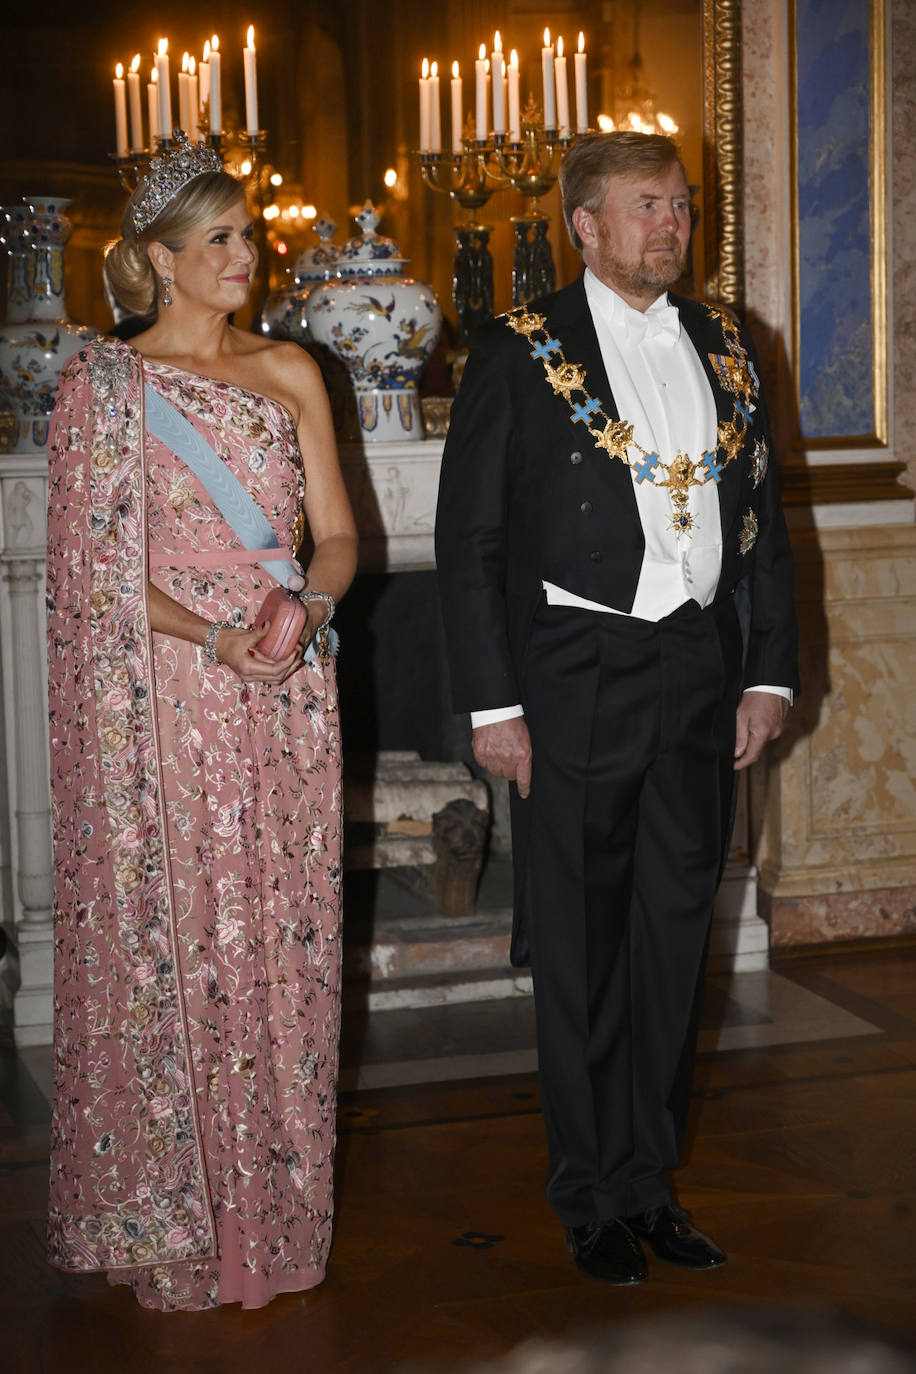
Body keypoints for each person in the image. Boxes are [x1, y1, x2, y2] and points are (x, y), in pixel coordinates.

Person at [434, 132, 798, 1286]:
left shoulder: (730, 341)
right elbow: (469, 543)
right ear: (584, 225)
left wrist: (767, 674)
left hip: (698, 668)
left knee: (671, 937)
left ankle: (648, 1183)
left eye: (679, 205)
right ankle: (587, 1193)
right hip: (573, 671)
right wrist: (493, 706)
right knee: (582, 946)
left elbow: (764, 526)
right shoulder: (515, 348)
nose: (670, 225)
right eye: (646, 206)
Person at [46, 132, 358, 1311]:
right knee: (186, 932)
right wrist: (217, 638)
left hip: (289, 680)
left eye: (247, 235)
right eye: (219, 238)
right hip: (171, 689)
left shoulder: (291, 369)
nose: (245, 255)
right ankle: (182, 1216)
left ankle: (273, 1217)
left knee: (281, 935)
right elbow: (92, 576)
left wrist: (307, 609)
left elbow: (339, 534)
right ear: (162, 260)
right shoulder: (103, 385)